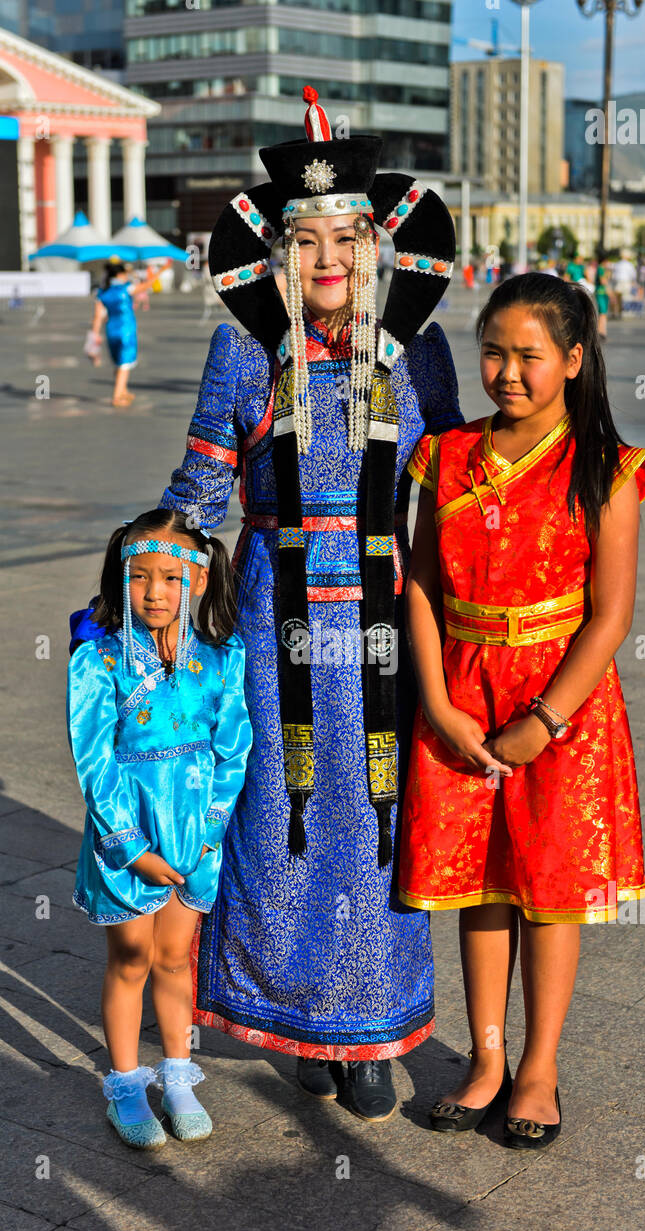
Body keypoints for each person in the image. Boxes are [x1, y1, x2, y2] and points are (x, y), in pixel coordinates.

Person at [151, 85, 464, 1121]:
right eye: (305, 240)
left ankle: (372, 1030)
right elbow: (200, 481)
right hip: (272, 615)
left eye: (348, 235)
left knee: (379, 820)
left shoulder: (419, 348)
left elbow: (456, 485)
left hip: (384, 615)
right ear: (277, 253)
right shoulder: (244, 347)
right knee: (276, 821)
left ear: (377, 242)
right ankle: (286, 1014)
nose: (328, 260)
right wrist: (146, 578)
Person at [397, 272, 645, 1145]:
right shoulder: (445, 456)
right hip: (462, 690)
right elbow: (423, 586)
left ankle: (538, 1066)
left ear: (574, 361)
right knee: (478, 884)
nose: (507, 372)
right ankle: (483, 1058)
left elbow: (611, 616)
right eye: (494, 353)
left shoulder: (606, 470)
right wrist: (437, 704)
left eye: (529, 356)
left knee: (548, 888)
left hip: (563, 703)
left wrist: (542, 719)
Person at [66, 508, 252, 1149]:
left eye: (169, 578)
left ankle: (177, 1074)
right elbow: (93, 758)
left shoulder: (225, 659)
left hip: (196, 834)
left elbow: (234, 751)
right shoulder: (98, 659)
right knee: (132, 958)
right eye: (139, 577)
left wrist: (209, 836)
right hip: (130, 836)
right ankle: (124, 1082)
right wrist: (129, 846)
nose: (153, 592)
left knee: (176, 958)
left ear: (196, 581)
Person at [89, 259, 158, 408]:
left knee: (118, 361)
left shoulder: (102, 292)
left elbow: (97, 317)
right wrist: (162, 270)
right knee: (124, 363)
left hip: (111, 329)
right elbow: (146, 285)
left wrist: (94, 335)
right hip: (126, 329)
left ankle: (123, 391)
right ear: (120, 274)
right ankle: (116, 396)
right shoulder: (126, 288)